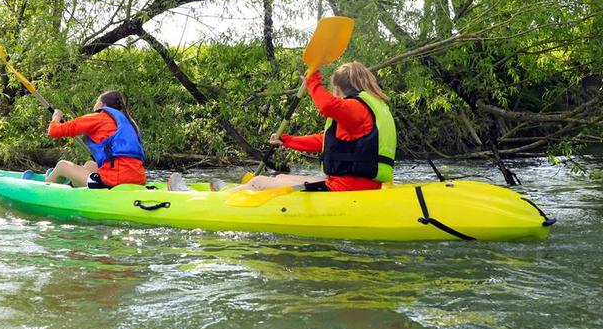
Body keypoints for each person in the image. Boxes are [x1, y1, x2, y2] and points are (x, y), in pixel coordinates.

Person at [167, 62, 396, 192]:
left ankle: (207, 201)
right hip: (354, 184)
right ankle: (227, 189)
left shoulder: (355, 107)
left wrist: (312, 81)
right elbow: (323, 142)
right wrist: (287, 140)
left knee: (257, 181)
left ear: (338, 87)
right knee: (278, 177)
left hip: (347, 189)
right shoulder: (372, 108)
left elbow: (326, 105)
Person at [36, 90, 147, 188]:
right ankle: (72, 185)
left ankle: (42, 191)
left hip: (114, 182)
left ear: (101, 104)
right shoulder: (130, 123)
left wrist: (56, 118)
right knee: (90, 164)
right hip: (138, 178)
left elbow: (54, 131)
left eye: (96, 102)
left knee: (62, 165)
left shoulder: (98, 118)